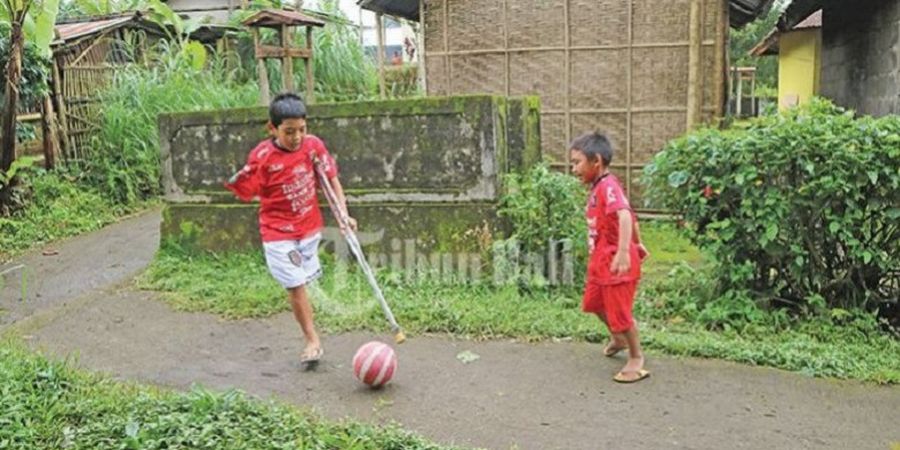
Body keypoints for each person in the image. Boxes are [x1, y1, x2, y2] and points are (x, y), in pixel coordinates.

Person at [225, 92, 356, 367]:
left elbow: (331, 181)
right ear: (271, 128)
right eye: (288, 132)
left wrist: (344, 214)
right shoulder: (262, 157)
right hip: (277, 233)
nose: (296, 137)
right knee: (295, 285)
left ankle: (308, 324)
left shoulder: (313, 147)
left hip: (308, 229)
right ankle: (312, 339)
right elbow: (246, 189)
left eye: (301, 130)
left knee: (305, 280)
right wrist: (244, 179)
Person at [569, 132, 650, 383]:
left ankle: (636, 357)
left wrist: (627, 250)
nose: (573, 169)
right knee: (593, 304)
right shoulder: (597, 188)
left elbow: (624, 215)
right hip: (601, 262)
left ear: (597, 161)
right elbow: (629, 218)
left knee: (620, 313)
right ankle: (618, 339)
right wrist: (638, 242)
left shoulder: (608, 186)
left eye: (577, 162)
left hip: (617, 263)